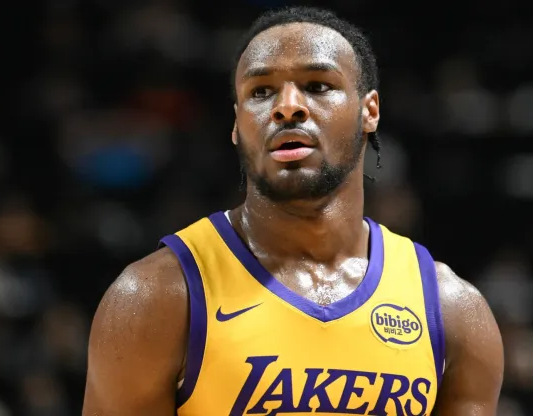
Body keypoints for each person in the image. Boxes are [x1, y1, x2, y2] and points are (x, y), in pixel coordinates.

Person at [82, 6, 504, 416]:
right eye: (260, 92)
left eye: (318, 85)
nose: (287, 107)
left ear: (368, 110)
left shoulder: (451, 311)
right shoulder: (157, 297)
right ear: (236, 123)